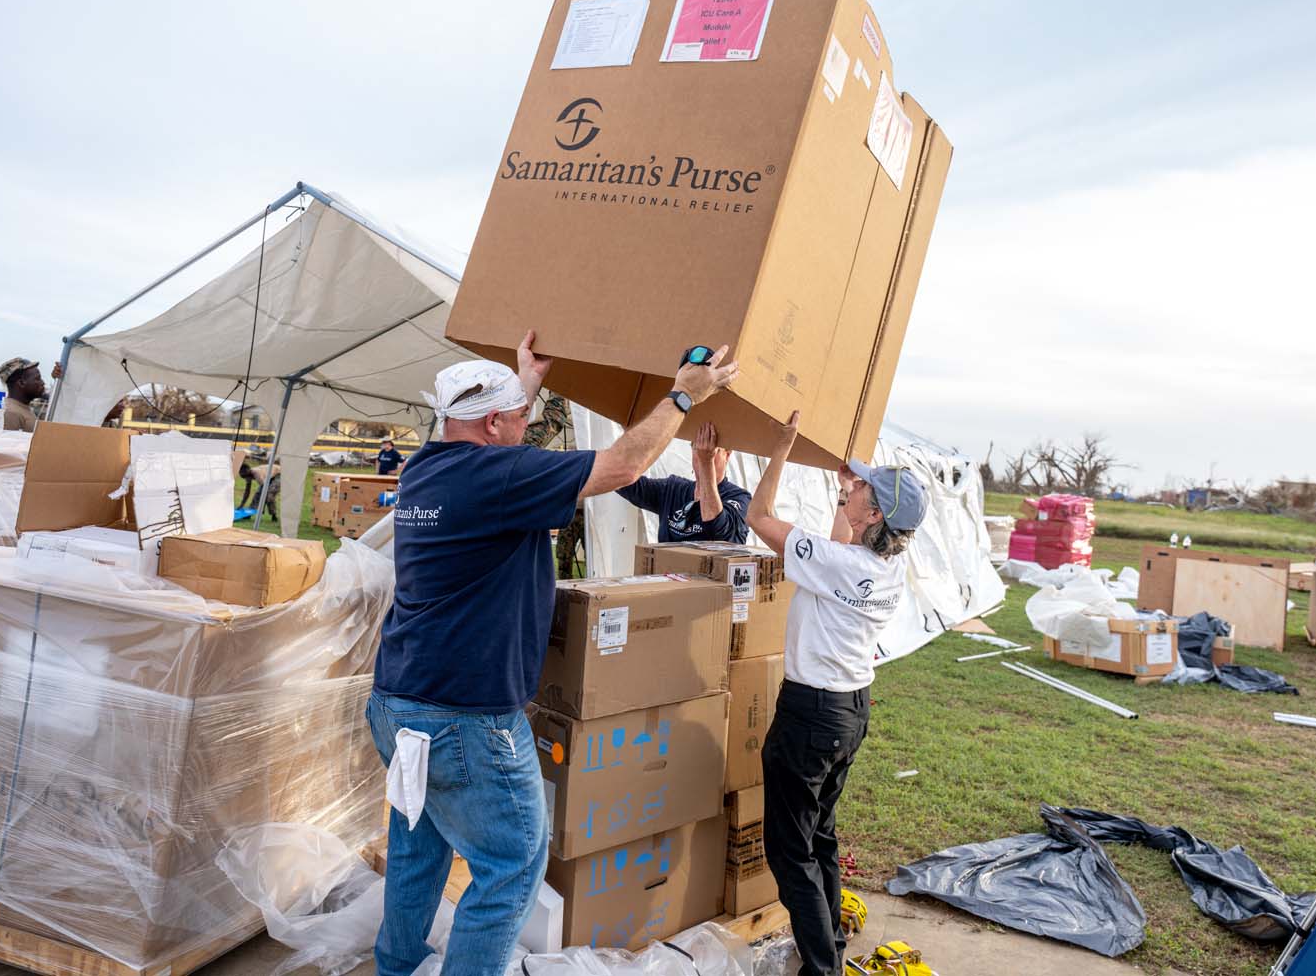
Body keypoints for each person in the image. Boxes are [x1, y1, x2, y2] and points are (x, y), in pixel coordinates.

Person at [366, 330, 738, 976]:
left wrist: (524, 384)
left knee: (418, 844)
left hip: (399, 702)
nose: (526, 425)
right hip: (467, 718)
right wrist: (681, 396)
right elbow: (621, 466)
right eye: (518, 418)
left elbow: (494, 433)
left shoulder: (428, 465)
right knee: (510, 866)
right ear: (489, 425)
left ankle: (394, 966)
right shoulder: (497, 474)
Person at [745, 412, 927, 976]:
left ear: (874, 514)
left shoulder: (838, 563)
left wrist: (780, 449)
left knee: (789, 851)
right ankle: (831, 955)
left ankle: (822, 968)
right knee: (819, 835)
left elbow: (759, 517)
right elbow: (840, 546)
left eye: (863, 490)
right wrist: (848, 491)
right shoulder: (886, 564)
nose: (855, 487)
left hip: (811, 715)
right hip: (850, 711)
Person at [616, 422, 751, 543]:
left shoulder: (740, 498)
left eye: (712, 450)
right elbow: (624, 482)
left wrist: (706, 462)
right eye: (697, 447)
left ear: (727, 455)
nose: (702, 453)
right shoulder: (673, 489)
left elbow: (716, 531)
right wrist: (632, 440)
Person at [0, 358, 47, 432]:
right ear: (21, 383)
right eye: (37, 379)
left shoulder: (21, 409)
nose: (42, 383)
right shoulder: (11, 413)